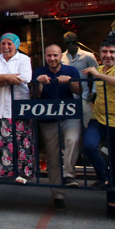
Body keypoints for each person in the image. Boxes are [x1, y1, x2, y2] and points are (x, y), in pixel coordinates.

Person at [81, 39, 115, 219]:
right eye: (104, 52)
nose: (108, 55)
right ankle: (105, 177)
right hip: (99, 119)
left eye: (111, 52)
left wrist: (97, 74)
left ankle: (113, 202)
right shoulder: (100, 69)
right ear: (100, 54)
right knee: (88, 145)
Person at [32, 43, 82, 211]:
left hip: (69, 116)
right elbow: (35, 95)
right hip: (48, 119)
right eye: (49, 56)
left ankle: (68, 174)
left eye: (55, 55)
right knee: (53, 158)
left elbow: (79, 91)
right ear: (45, 57)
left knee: (72, 139)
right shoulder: (39, 71)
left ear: (61, 56)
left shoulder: (71, 70)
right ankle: (58, 195)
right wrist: (39, 83)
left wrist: (69, 82)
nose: (52, 59)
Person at [0, 33, 35, 183]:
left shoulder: (24, 59)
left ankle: (21, 173)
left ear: (16, 45)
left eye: (9, 44)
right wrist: (8, 78)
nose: (6, 47)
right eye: (3, 44)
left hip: (17, 108)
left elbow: (25, 77)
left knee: (20, 142)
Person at [61, 31, 99, 128]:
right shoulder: (62, 57)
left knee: (87, 124)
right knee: (71, 127)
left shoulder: (88, 56)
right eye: (67, 43)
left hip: (84, 95)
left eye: (72, 42)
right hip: (68, 97)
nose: (70, 45)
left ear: (76, 42)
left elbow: (97, 74)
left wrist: (94, 91)